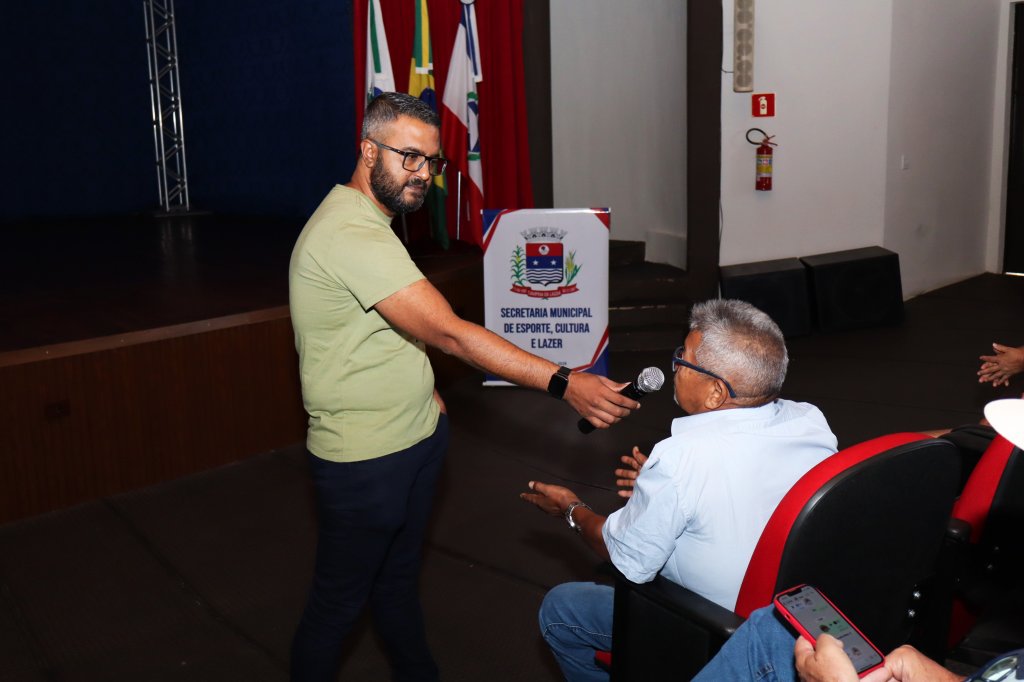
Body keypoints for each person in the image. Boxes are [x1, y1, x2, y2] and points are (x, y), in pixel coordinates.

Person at [287, 91, 639, 682]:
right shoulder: (350, 232)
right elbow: (450, 333)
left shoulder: (373, 219)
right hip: (364, 463)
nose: (422, 173)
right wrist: (563, 381)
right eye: (409, 157)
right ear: (367, 150)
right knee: (336, 608)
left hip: (415, 441)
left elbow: (386, 328)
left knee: (397, 588)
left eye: (432, 161)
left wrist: (422, 392)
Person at [520, 299, 839, 682]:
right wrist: (663, 492)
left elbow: (625, 560)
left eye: (682, 359)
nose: (674, 367)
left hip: (721, 629)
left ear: (716, 394)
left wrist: (571, 510)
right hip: (804, 615)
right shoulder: (809, 419)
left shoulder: (681, 459)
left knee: (561, 611)